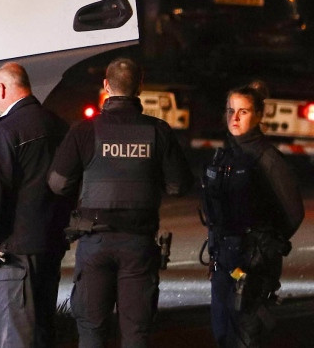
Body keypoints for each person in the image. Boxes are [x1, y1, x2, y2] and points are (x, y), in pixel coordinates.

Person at [48, 56, 193, 348]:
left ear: (106, 85)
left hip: (95, 244)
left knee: (91, 330)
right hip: (138, 245)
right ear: (139, 87)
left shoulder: (85, 131)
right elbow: (179, 185)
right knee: (136, 332)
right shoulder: (158, 131)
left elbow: (58, 183)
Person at [0, 61, 71, 347]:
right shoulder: (59, 125)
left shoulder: (7, 131)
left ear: (1, 89)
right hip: (50, 246)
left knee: (15, 335)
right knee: (43, 332)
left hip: (14, 253)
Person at [202, 83, 304, 347]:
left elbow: (293, 213)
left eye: (243, 112)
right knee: (222, 333)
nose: (234, 118)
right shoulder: (226, 154)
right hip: (225, 262)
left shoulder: (267, 159)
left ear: (259, 115)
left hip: (251, 267)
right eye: (230, 111)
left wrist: (265, 246)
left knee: (245, 337)